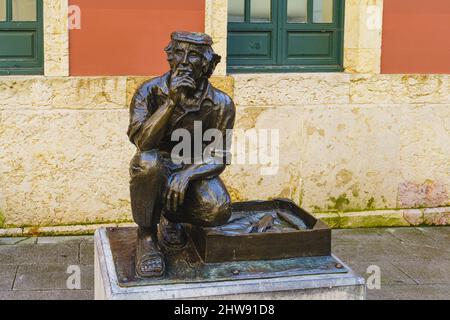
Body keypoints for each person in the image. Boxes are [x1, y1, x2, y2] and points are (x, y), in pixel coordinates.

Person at [127, 31, 236, 277]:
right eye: (179, 53)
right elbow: (143, 144)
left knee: (218, 209)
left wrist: (187, 175)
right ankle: (146, 237)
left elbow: (219, 156)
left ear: (209, 64)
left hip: (192, 169)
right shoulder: (148, 92)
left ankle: (171, 216)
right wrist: (171, 103)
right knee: (147, 163)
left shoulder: (221, 104)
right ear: (170, 58)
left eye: (194, 55)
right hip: (157, 165)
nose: (185, 61)